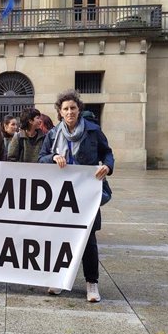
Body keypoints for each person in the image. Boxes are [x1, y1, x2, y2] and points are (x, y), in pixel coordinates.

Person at [38, 90, 114, 303]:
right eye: (65, 109)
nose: (69, 112)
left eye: (73, 108)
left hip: (85, 193)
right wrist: (53, 157)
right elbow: (41, 158)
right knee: (60, 237)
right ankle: (60, 279)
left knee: (88, 239)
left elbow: (107, 152)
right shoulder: (53, 134)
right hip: (60, 195)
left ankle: (92, 283)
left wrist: (107, 166)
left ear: (79, 109)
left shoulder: (93, 131)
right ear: (60, 112)